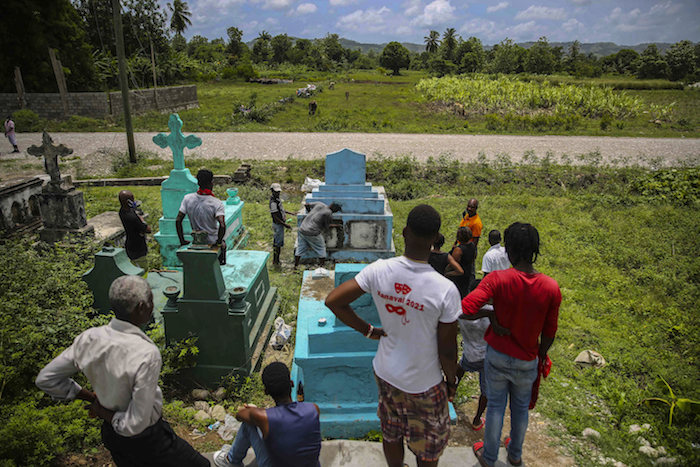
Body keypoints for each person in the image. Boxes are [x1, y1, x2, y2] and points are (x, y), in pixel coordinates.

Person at [325, 204, 460, 467]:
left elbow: (334, 301)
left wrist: (368, 330)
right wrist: (451, 380)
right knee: (427, 446)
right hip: (424, 383)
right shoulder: (445, 290)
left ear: (405, 232)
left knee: (391, 431)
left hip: (386, 373)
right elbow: (447, 350)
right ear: (435, 240)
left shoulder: (379, 270)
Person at [35, 276, 208, 467]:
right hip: (148, 440)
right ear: (141, 307)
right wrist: (102, 411)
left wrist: (90, 398)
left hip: (112, 435)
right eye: (151, 301)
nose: (152, 306)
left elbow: (46, 378)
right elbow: (135, 423)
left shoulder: (89, 338)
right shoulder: (145, 353)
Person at [460, 222, 561, 467]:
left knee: (495, 407)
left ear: (509, 250)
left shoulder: (497, 280)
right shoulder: (550, 287)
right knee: (520, 410)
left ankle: (490, 457)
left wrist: (491, 315)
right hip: (527, 357)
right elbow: (549, 332)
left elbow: (464, 308)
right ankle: (515, 455)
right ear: (534, 250)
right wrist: (541, 354)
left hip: (497, 354)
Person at [213, 362, 321, 467]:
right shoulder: (313, 409)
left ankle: (231, 460)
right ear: (291, 383)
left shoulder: (264, 418)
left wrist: (256, 411)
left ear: (266, 391)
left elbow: (239, 415)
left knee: (249, 424)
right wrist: (261, 412)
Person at [456, 280, 490, 432]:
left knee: (460, 368)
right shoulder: (491, 312)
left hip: (470, 354)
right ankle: (476, 420)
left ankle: (450, 392)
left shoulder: (461, 312)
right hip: (487, 357)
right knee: (486, 391)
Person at [176, 169, 226, 265]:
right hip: (211, 242)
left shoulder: (187, 199)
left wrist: (182, 240)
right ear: (211, 183)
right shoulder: (216, 203)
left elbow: (178, 220)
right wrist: (219, 242)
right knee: (222, 250)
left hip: (196, 242)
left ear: (198, 182)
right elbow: (222, 225)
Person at [293, 202, 342, 270]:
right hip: (312, 232)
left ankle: (295, 266)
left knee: (300, 248)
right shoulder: (329, 213)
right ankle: (321, 268)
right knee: (321, 248)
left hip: (302, 229)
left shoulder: (320, 204)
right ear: (335, 210)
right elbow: (326, 226)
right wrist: (337, 226)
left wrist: (309, 212)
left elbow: (306, 204)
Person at [118, 190, 151, 272]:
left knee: (133, 269)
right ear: (127, 201)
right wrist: (142, 219)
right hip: (138, 248)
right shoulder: (132, 217)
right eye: (132, 199)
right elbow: (148, 229)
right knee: (143, 270)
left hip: (130, 245)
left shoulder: (122, 211)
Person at [269, 183, 295, 266]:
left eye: (278, 192)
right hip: (278, 224)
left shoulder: (277, 199)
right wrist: (284, 224)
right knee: (277, 244)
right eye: (276, 192)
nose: (277, 193)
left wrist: (291, 213)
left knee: (278, 242)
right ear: (272, 191)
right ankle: (276, 261)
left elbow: (281, 209)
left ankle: (276, 260)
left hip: (280, 224)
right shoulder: (273, 202)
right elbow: (275, 216)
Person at [449, 226, 476, 297]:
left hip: (458, 277)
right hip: (468, 273)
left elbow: (453, 263)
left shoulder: (459, 250)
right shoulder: (472, 245)